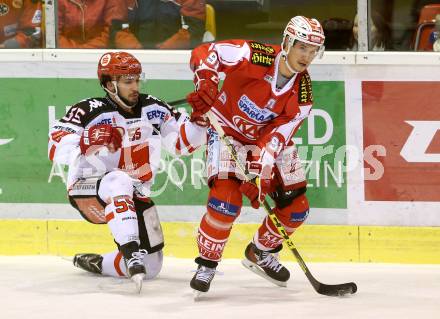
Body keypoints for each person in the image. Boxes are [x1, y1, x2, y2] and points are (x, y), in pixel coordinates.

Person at [185, 16, 325, 293]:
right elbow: (206, 53)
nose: (307, 56)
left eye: (313, 50)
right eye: (302, 47)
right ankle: (207, 263)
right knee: (225, 201)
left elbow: (277, 137)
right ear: (286, 42)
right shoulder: (256, 55)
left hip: (266, 143)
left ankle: (259, 252)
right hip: (226, 130)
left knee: (297, 210)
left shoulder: (303, 93)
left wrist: (259, 170)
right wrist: (207, 80)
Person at [48, 51, 208, 291]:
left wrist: (199, 120)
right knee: (118, 179)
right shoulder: (90, 110)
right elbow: (54, 144)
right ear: (109, 84)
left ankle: (99, 263)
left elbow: (182, 144)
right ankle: (130, 251)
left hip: (131, 193)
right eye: (127, 81)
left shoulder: (153, 107)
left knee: (152, 267)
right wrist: (87, 140)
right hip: (88, 188)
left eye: (136, 80)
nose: (135, 86)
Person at [57, 0, 141, 49]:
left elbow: (112, 31)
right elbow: (53, 35)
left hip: (102, 54)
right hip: (64, 56)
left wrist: (83, 52)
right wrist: (75, 53)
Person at [127, 0, 206, 49]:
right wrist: (137, 50)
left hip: (177, 58)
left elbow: (194, 30)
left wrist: (162, 51)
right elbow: (118, 29)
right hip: (138, 56)